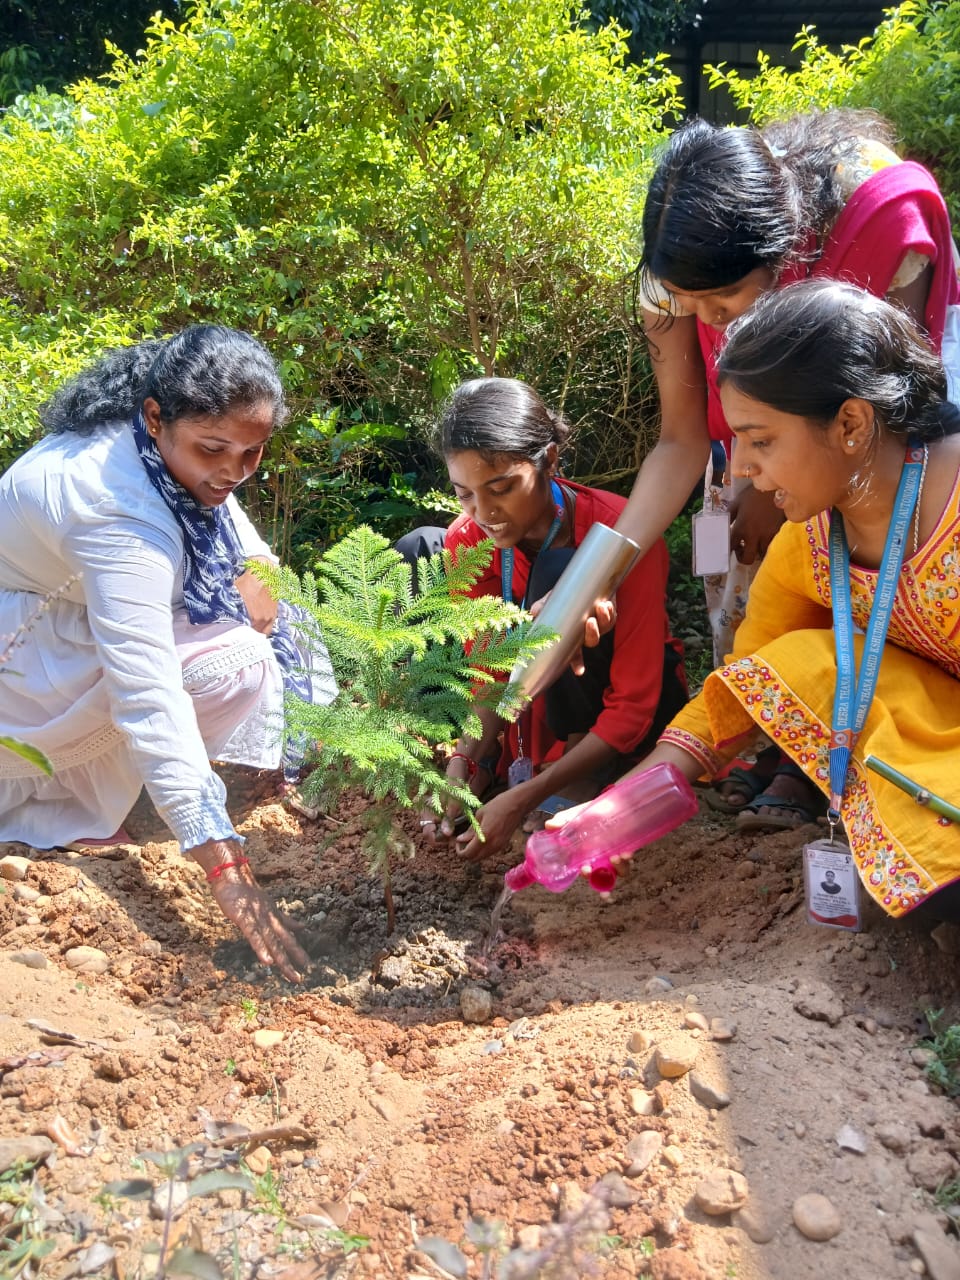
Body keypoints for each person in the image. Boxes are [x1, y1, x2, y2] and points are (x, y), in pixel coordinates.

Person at [559, 282, 960, 919]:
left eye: (761, 440)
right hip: (937, 743)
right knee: (797, 660)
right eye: (738, 440)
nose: (741, 467)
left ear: (851, 424)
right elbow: (744, 681)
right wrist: (621, 804)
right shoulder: (812, 537)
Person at [616, 107, 960, 828]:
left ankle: (836, 763)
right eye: (688, 304)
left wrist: (777, 485)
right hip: (788, 443)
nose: (706, 322)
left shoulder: (878, 217)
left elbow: (886, 408)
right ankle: (791, 747)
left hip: (878, 449)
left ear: (784, 260)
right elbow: (683, 440)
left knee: (873, 598)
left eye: (723, 301)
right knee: (777, 617)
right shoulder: (671, 279)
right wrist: (605, 571)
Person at [0, 326, 338, 981]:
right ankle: (60, 803)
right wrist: (226, 864)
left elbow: (229, 518)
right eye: (214, 449)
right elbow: (147, 689)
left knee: (283, 612)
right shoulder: (114, 512)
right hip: (24, 643)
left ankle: (129, 786)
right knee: (232, 664)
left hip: (71, 611)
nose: (234, 472)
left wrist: (258, 565)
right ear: (155, 417)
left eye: (253, 452)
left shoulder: (162, 448)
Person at [402, 377, 687, 861]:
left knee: (565, 579)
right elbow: (489, 673)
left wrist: (526, 797)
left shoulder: (624, 533)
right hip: (526, 712)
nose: (484, 513)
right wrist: (462, 763)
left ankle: (578, 773)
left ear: (549, 460)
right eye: (464, 493)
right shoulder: (468, 540)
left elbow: (633, 706)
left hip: (622, 716)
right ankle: (499, 765)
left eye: (501, 488)